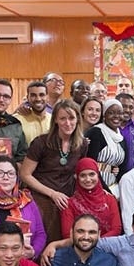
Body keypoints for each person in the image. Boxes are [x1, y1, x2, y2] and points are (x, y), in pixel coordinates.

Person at [21, 99, 87, 242]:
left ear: (78, 120)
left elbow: (82, 172)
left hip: (66, 196)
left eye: (71, 118)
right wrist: (52, 194)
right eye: (63, 118)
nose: (68, 123)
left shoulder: (81, 144)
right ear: (55, 119)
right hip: (41, 195)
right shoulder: (41, 142)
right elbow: (25, 175)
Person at [61, 158, 121, 238]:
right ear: (77, 177)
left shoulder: (109, 199)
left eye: (92, 174)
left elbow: (116, 229)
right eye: (83, 175)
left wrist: (98, 242)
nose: (88, 179)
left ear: (98, 175)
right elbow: (68, 234)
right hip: (79, 247)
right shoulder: (69, 204)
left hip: (106, 245)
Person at [85, 98, 127, 192]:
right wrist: (105, 190)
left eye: (120, 113)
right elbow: (91, 165)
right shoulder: (96, 132)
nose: (116, 116)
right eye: (111, 113)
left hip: (114, 188)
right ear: (104, 115)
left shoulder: (121, 138)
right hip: (95, 187)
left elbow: (121, 168)